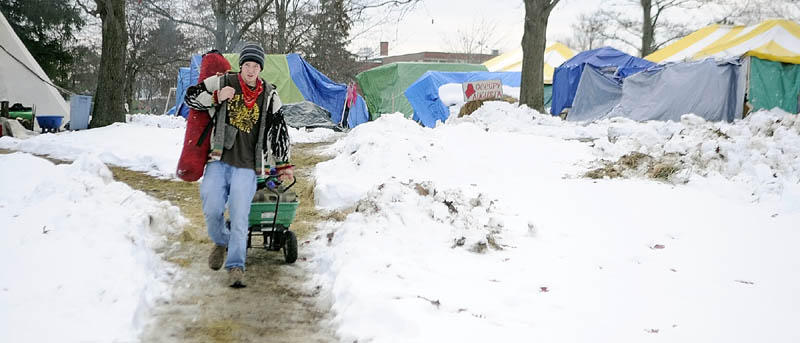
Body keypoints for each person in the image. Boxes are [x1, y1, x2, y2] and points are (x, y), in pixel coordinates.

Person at [184, 43, 293, 288]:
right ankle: (222, 240)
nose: (251, 70)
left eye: (256, 66)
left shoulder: (270, 95)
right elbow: (190, 97)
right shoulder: (222, 82)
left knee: (240, 216)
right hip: (219, 160)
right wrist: (215, 98)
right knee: (212, 210)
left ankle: (236, 266)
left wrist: (284, 164)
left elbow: (279, 132)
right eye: (247, 65)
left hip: (248, 166)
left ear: (260, 68)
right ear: (241, 65)